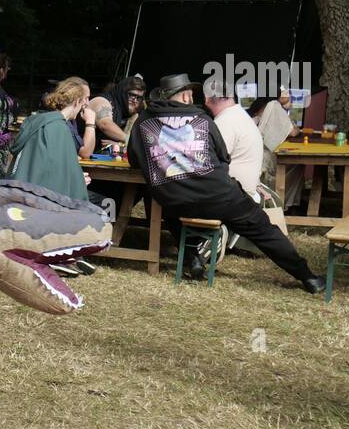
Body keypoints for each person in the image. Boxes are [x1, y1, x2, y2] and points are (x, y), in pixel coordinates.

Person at [127, 73, 325, 291]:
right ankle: (308, 277)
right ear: (184, 97)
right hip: (219, 196)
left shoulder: (144, 121)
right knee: (264, 231)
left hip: (174, 198)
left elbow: (135, 160)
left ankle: (192, 258)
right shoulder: (203, 121)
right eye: (191, 94)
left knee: (168, 205)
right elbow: (223, 157)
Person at [8, 76, 93, 202]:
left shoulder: (38, 121)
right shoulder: (59, 128)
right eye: (85, 99)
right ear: (77, 101)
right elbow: (54, 181)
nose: (86, 104)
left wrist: (76, 178)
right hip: (40, 201)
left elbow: (45, 168)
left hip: (20, 191)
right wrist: (79, 182)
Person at [86, 75, 147, 145]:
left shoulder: (132, 113)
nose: (135, 100)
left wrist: (120, 144)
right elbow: (105, 125)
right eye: (131, 95)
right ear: (123, 92)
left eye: (139, 97)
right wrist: (130, 141)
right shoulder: (102, 101)